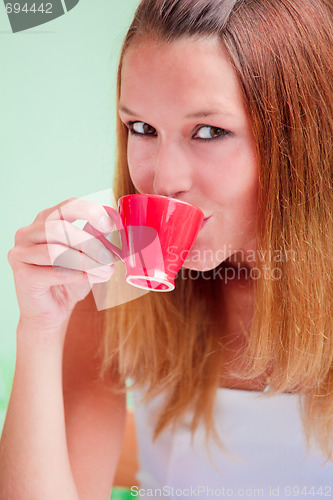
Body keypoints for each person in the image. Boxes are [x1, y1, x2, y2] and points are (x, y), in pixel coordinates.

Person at [1, 0, 333, 498]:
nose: (161, 180)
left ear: (300, 139)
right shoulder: (110, 283)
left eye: (209, 132)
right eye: (142, 129)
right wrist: (41, 329)